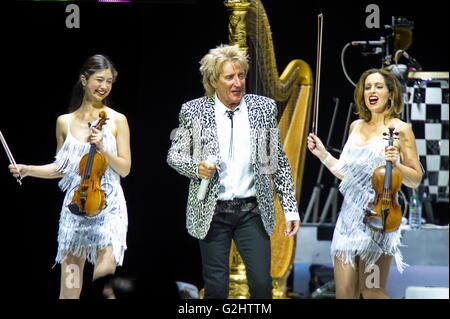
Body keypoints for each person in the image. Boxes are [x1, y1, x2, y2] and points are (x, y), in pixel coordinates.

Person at [167, 44, 300, 299]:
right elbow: (174, 155)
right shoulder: (194, 111)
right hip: (213, 211)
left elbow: (278, 162)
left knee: (262, 285)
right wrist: (198, 168)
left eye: (241, 76)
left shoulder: (263, 108)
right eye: (229, 77)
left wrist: (290, 208)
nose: (238, 82)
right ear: (213, 81)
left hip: (252, 211)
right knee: (216, 287)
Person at [9, 54, 131, 299]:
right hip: (75, 209)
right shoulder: (63, 122)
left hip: (109, 209)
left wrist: (105, 149)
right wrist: (27, 169)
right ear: (84, 80)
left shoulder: (117, 120)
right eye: (99, 80)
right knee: (70, 288)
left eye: (109, 81)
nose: (104, 86)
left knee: (104, 288)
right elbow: (61, 169)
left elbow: (125, 168)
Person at [307, 68, 423, 299]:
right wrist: (322, 154)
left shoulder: (400, 129)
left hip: (378, 219)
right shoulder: (355, 126)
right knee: (345, 294)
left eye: (378, 86)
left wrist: (396, 164)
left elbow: (415, 179)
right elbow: (347, 174)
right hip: (348, 220)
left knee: (372, 292)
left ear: (390, 94)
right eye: (368, 87)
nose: (372, 91)